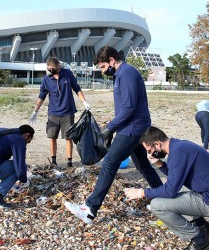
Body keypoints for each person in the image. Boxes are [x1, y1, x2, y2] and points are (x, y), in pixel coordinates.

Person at [64, 46, 163, 224]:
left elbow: (130, 107)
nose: (103, 71)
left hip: (132, 129)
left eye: (103, 67)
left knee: (109, 163)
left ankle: (90, 209)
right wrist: (113, 124)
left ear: (111, 60)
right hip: (132, 127)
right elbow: (126, 107)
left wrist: (110, 126)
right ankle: (165, 201)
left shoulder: (127, 74)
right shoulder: (121, 74)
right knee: (143, 166)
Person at [124, 126, 209, 250]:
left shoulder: (177, 153)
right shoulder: (179, 147)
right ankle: (202, 226)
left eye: (149, 150)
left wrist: (141, 192)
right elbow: (176, 177)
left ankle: (200, 241)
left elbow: (170, 190)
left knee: (157, 205)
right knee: (173, 191)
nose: (149, 154)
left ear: (157, 144)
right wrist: (159, 164)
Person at [29, 57, 90, 167]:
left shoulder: (67, 74)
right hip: (53, 113)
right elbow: (42, 96)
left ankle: (69, 161)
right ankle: (53, 161)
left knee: (68, 137)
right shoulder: (47, 79)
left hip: (68, 112)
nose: (50, 70)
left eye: (53, 68)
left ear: (58, 67)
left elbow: (77, 88)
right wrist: (35, 111)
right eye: (49, 68)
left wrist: (84, 102)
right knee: (52, 137)